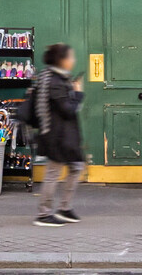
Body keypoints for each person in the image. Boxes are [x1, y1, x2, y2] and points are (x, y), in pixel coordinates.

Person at [31, 43, 86, 227]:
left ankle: (64, 208)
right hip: (57, 136)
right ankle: (44, 214)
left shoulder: (58, 78)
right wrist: (78, 94)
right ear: (62, 60)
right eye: (71, 57)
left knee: (76, 167)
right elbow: (68, 110)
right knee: (53, 172)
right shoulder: (54, 82)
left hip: (66, 134)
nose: (73, 60)